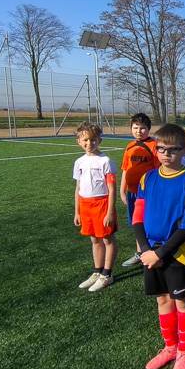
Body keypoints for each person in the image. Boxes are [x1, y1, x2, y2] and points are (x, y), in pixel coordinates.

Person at [131, 124, 185, 369]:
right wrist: (145, 249)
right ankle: (170, 347)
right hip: (151, 251)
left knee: (182, 301)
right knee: (162, 299)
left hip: (178, 252)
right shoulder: (148, 178)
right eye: (161, 149)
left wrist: (160, 253)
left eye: (173, 150)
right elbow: (138, 216)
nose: (166, 154)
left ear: (184, 150)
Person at [73, 121, 118, 292]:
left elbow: (112, 189)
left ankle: (107, 274)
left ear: (99, 140)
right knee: (94, 239)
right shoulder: (79, 162)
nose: (89, 143)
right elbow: (78, 188)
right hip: (85, 205)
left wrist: (109, 213)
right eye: (85, 140)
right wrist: (77, 211)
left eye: (93, 139)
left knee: (107, 239)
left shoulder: (105, 161)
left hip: (102, 204)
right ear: (78, 141)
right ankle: (97, 271)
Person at [119, 113, 160, 268]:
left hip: (147, 193)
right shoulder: (130, 146)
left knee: (148, 222)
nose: (139, 131)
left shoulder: (154, 146)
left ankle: (153, 251)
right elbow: (125, 169)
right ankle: (140, 253)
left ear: (148, 129)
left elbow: (158, 171)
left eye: (142, 128)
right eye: (135, 128)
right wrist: (122, 191)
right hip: (132, 193)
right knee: (136, 223)